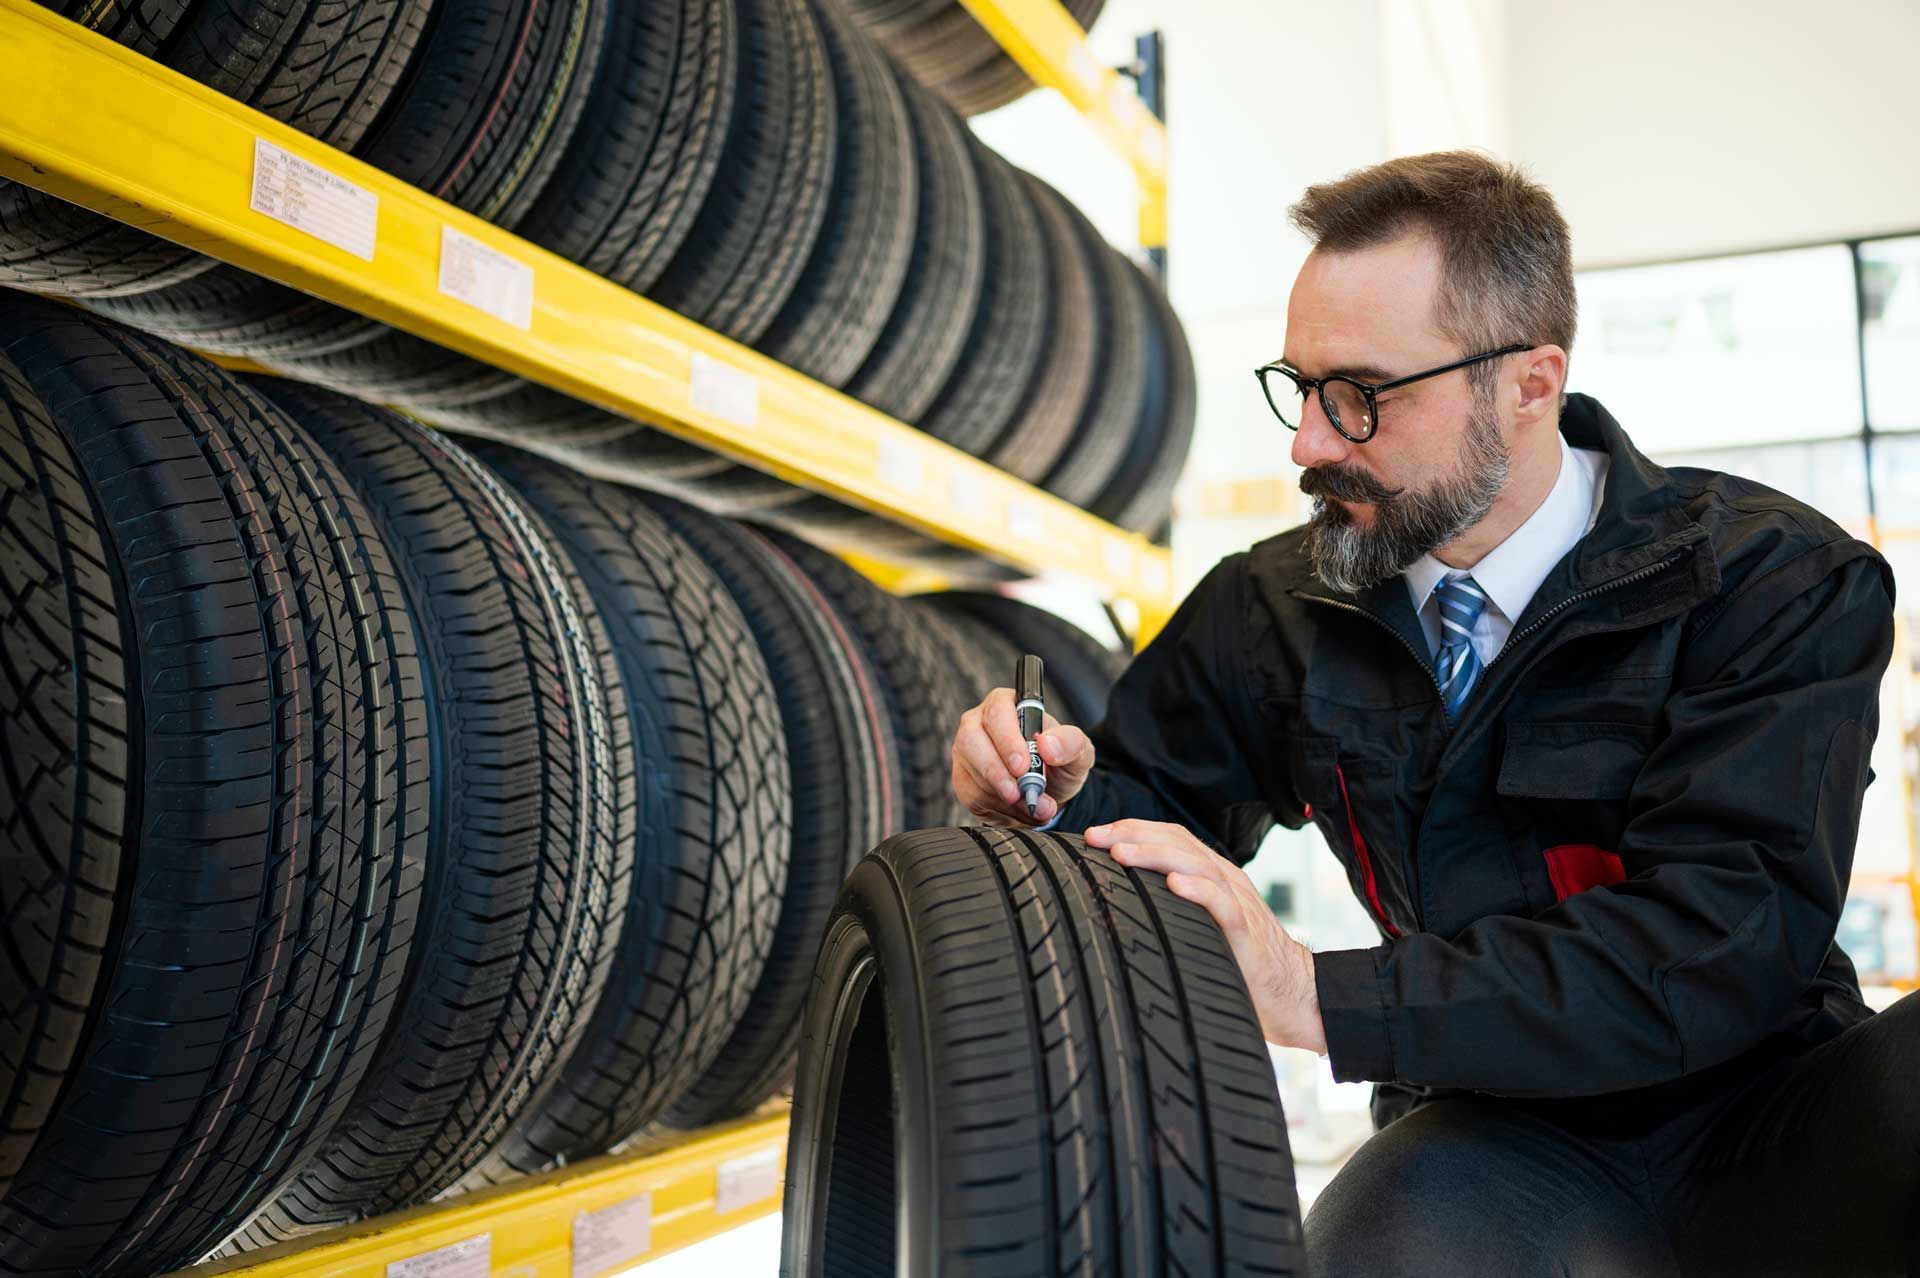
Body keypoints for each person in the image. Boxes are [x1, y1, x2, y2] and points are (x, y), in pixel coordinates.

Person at [948, 150, 1920, 1276]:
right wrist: (1049, 802)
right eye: (1301, 388)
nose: (1310, 443)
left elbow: (1714, 946)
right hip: (1487, 1141)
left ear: (1529, 385)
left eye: (1360, 397)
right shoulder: (1274, 610)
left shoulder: (1773, 581)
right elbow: (1143, 808)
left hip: (1777, 1117)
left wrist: (1315, 992)